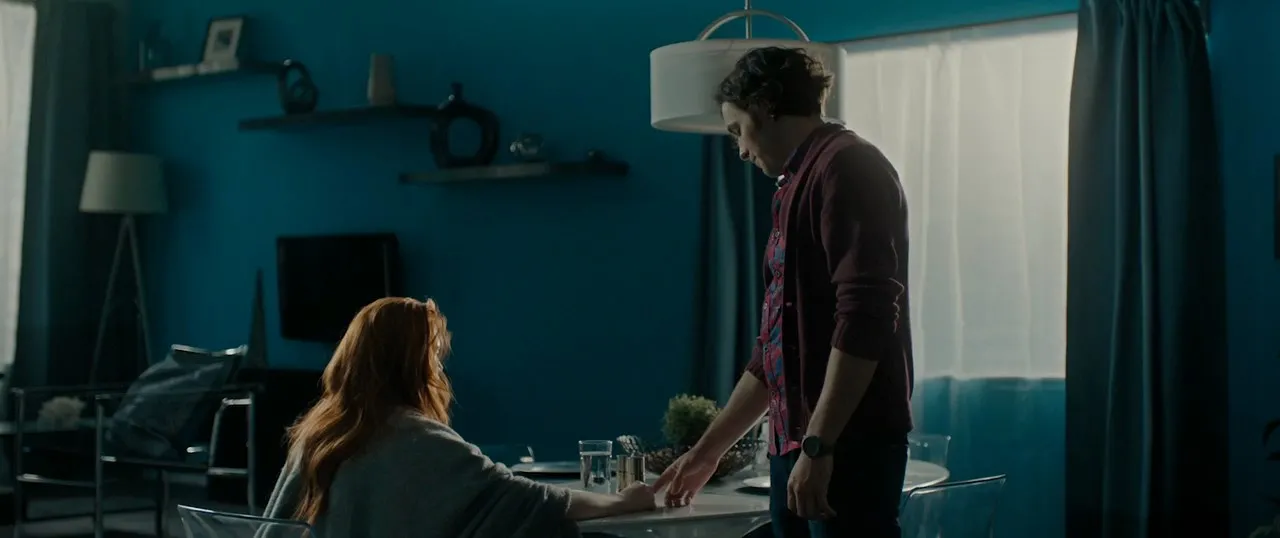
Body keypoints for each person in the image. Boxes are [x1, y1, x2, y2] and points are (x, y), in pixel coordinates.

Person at [652, 46, 914, 538]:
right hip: (796, 442)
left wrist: (820, 445)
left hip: (844, 443)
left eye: (737, 130)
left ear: (765, 106)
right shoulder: (793, 185)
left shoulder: (848, 166)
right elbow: (772, 351)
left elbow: (866, 315)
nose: (740, 150)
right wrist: (706, 453)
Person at [262, 297, 655, 538]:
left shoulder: (318, 433)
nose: (439, 366)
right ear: (412, 364)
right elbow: (531, 502)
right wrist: (620, 503)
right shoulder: (420, 440)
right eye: (433, 354)